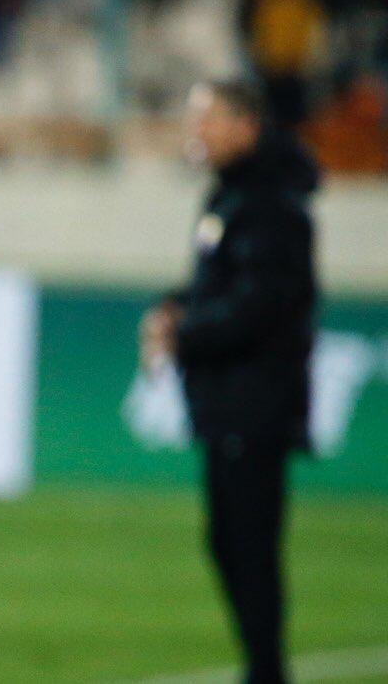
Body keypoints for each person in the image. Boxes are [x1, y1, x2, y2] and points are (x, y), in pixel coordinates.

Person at [141, 80, 318, 684]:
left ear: (248, 125)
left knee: (247, 545)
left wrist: (182, 332)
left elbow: (260, 304)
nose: (197, 131)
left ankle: (266, 670)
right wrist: (175, 306)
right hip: (230, 399)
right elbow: (220, 287)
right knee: (230, 542)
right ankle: (262, 667)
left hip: (256, 399)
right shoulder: (234, 195)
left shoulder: (269, 204)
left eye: (209, 118)